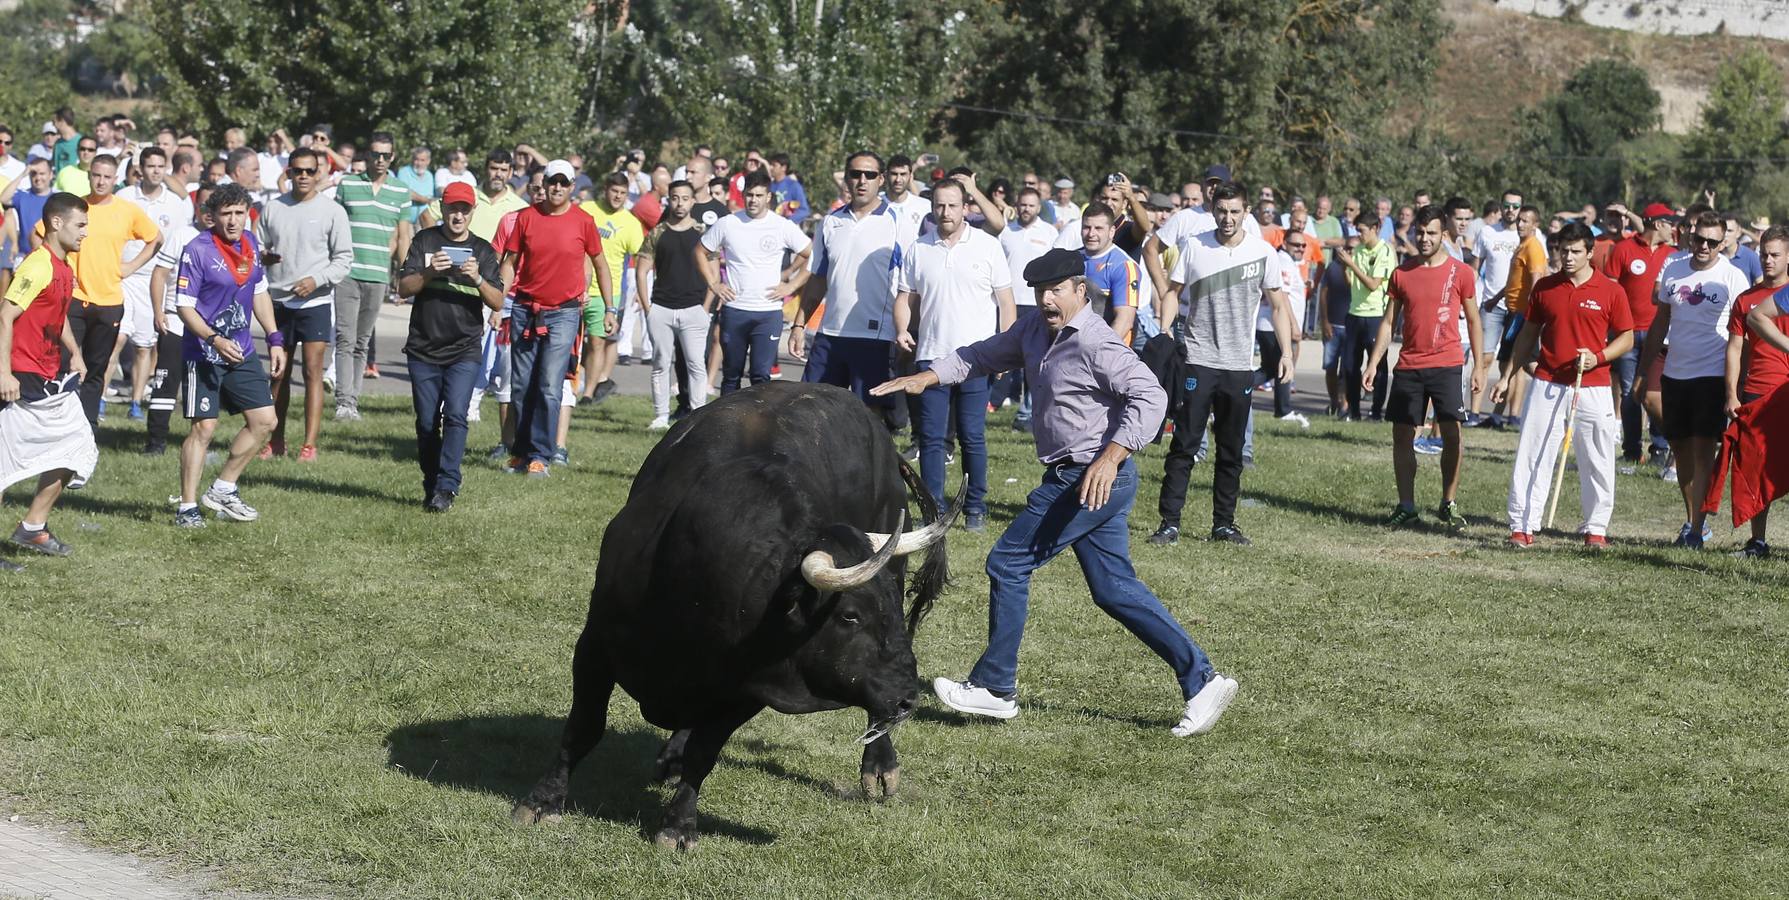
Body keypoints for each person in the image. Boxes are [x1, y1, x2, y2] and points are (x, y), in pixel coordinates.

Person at [872, 248, 1238, 738]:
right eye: (1039, 291)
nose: (1046, 299)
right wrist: (926, 376)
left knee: (1007, 562)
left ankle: (996, 687)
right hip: (1077, 475)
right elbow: (980, 355)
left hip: (1089, 476)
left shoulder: (1094, 340)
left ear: (1079, 290)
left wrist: (1111, 458)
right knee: (1114, 590)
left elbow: (1152, 396)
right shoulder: (1031, 330)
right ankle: (1203, 681)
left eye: (1056, 290)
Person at [1151, 181, 1292, 547]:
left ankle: (1223, 525)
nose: (1227, 218)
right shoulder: (1195, 246)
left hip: (1238, 366)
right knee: (1184, 445)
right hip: (1198, 361)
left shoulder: (1263, 253)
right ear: (1212, 210)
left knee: (1230, 451)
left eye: (1234, 211)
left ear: (1246, 212)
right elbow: (1173, 292)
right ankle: (1169, 523)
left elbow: (1277, 306)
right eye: (1222, 211)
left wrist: (1287, 353)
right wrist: (1166, 330)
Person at [1494, 222, 1634, 548]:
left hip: (1594, 385)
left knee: (1597, 457)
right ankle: (1522, 526)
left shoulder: (1611, 290)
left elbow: (1626, 338)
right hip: (1547, 382)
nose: (1567, 257)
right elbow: (1528, 335)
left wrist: (1598, 357)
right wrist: (1506, 376)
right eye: (1563, 251)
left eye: (1575, 252)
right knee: (1533, 452)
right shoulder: (1544, 288)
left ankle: (1595, 529)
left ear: (1590, 252)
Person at [892, 178, 1016, 532]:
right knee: (930, 438)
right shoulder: (918, 248)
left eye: (952, 205)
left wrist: (1005, 351)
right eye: (939, 206)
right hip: (931, 358)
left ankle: (975, 505)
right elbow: (905, 299)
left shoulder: (989, 247)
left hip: (977, 359)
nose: (945, 212)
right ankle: (934, 509)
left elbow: (1006, 303)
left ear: (966, 208)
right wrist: (902, 330)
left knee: (972, 436)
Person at [172, 183, 288, 528]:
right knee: (204, 429)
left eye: (240, 213)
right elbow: (184, 307)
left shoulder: (251, 244)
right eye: (227, 214)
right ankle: (187, 508)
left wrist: (274, 337)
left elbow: (260, 292)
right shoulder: (198, 250)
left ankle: (223, 488)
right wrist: (213, 338)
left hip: (241, 350)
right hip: (203, 352)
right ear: (212, 217)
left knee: (265, 421)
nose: (234, 220)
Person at [1362, 206, 1484, 531]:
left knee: (1453, 435)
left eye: (1432, 233)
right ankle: (1406, 506)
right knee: (1401, 435)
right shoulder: (1402, 273)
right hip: (1409, 365)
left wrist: (1481, 367)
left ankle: (1448, 503)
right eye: (1420, 232)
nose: (1425, 238)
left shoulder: (1462, 273)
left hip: (1447, 364)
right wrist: (1373, 363)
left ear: (1443, 233)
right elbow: (1389, 323)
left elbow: (1473, 320)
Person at [1637, 211, 1751, 549]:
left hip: (1711, 375)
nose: (1704, 246)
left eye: (1712, 242)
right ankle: (1692, 521)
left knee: (1703, 453)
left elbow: (1741, 337)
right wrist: (1643, 372)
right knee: (1681, 452)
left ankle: (1696, 528)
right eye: (1699, 239)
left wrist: (1737, 385)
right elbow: (1660, 323)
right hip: (1675, 373)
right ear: (1689, 236)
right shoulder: (1673, 268)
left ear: (1722, 243)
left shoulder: (1732, 278)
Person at [498, 159, 612, 478]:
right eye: (552, 182)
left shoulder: (583, 221)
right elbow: (509, 263)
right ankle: (521, 453)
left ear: (572, 187)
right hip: (524, 308)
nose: (557, 188)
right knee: (521, 385)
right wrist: (496, 303)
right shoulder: (526, 218)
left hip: (564, 312)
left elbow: (600, 264)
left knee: (549, 384)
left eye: (564, 183)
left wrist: (610, 308)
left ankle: (542, 456)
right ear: (544, 184)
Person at [0, 192, 94, 572]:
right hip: (21, 376)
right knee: (4, 462)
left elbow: (59, 314)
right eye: (81, 225)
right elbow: (5, 316)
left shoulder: (64, 266)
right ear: (57, 223)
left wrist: (75, 350)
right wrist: (4, 373)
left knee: (77, 446)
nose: (86, 233)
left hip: (49, 373)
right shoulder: (37, 265)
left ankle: (33, 527)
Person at [397, 182, 504, 512]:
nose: (458, 215)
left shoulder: (483, 251)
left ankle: (447, 485)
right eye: (453, 208)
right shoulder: (424, 241)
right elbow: (403, 288)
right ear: (442, 209)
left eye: (465, 209)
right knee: (427, 422)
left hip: (465, 349)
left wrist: (478, 279)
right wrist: (430, 271)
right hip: (423, 348)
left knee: (456, 415)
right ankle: (431, 482)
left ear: (473, 212)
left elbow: (498, 301)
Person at [259, 147, 353, 461]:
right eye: (297, 171)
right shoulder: (273, 208)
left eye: (309, 171)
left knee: (313, 372)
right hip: (278, 301)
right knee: (278, 374)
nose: (303, 176)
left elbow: (343, 260)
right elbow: (255, 246)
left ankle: (309, 445)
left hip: (315, 302)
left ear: (319, 173)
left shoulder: (332, 211)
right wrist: (263, 257)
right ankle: (275, 440)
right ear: (288, 172)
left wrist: (317, 280)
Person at [792, 152, 902, 407]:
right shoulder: (830, 222)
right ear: (847, 179)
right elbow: (817, 280)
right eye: (855, 174)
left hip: (876, 336)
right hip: (830, 334)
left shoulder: (898, 223)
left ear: (881, 179)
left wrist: (906, 330)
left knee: (870, 417)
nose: (862, 181)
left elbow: (911, 286)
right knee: (811, 409)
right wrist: (799, 326)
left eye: (870, 175)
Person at [66, 153, 159, 432]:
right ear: (89, 175)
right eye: (97, 175)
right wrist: (63, 269)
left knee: (97, 368)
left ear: (115, 179)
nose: (101, 181)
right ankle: (61, 424)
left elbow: (156, 239)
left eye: (107, 177)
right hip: (76, 298)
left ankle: (88, 427)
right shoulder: (75, 207)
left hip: (109, 301)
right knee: (67, 365)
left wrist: (131, 266)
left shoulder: (126, 210)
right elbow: (40, 233)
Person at [699, 168, 810, 393]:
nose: (753, 200)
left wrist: (790, 282)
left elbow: (812, 255)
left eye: (759, 195)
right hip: (735, 310)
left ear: (768, 197)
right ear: (744, 195)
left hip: (767, 312)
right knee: (731, 374)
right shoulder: (728, 223)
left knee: (761, 375)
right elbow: (701, 251)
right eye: (749, 194)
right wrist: (714, 283)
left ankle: (760, 428)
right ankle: (727, 426)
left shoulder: (782, 225)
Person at [1720, 225, 1789, 558]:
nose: (1768, 260)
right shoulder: (1747, 300)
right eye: (1763, 254)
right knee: (1756, 470)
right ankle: (1757, 541)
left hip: (1786, 392)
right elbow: (1734, 349)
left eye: (1775, 254)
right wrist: (1732, 394)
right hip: (1757, 392)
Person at [333, 132, 408, 421]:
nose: (380, 160)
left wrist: (404, 276)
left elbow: (402, 236)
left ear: (392, 157)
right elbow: (335, 226)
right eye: (375, 154)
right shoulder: (348, 184)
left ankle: (353, 400)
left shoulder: (400, 191)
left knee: (362, 341)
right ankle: (344, 402)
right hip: (347, 272)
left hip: (378, 274)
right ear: (367, 155)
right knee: (344, 338)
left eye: (385, 155)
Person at [116, 147, 191, 420]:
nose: (156, 171)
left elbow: (181, 243)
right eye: (151, 166)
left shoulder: (175, 204)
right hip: (123, 276)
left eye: (161, 166)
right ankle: (99, 398)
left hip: (155, 280)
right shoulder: (123, 197)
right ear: (140, 168)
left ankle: (136, 401)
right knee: (118, 338)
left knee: (144, 345)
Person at [1602, 203, 1678, 464]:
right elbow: (1609, 292)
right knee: (1628, 393)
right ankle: (1632, 451)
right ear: (1658, 224)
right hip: (1627, 334)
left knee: (1656, 393)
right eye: (1670, 223)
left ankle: (1659, 448)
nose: (1674, 229)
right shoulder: (1623, 249)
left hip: (1661, 335)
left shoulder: (1674, 255)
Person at [144, 182, 216, 456]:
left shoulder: (226, 239)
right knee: (165, 381)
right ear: (196, 207)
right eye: (204, 205)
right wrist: (158, 310)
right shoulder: (182, 234)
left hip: (209, 327)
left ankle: (200, 442)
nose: (209, 212)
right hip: (175, 321)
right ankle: (155, 442)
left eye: (214, 206)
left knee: (202, 386)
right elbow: (160, 273)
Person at [635, 180, 711, 430]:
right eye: (675, 198)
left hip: (694, 308)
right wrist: (648, 307)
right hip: (662, 308)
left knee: (696, 364)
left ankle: (698, 414)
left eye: (685, 198)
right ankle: (660, 415)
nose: (680, 203)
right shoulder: (658, 232)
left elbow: (715, 273)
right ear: (669, 200)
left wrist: (706, 307)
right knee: (660, 363)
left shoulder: (702, 233)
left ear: (692, 201)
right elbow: (642, 269)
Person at [576, 172, 644, 403]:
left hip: (609, 293)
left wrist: (641, 289)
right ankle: (580, 380)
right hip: (576, 286)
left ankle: (588, 393)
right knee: (574, 341)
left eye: (623, 193)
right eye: (614, 191)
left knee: (598, 341)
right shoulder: (586, 209)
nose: (618, 197)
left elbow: (643, 257)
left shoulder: (631, 223)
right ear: (606, 189)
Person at [998, 186, 1057, 430]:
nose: (1026, 209)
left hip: (1039, 303)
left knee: (1038, 360)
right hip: (1010, 303)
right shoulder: (1006, 232)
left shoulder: (1050, 232)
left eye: (1031, 205)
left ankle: (1029, 412)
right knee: (1008, 358)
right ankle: (1004, 402)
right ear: (1016, 204)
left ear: (1038, 207)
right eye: (1022, 205)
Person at [1469, 190, 1525, 423]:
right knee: (1483, 358)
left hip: (1518, 308)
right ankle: (1473, 412)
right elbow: (1474, 268)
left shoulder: (1530, 236)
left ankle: (1502, 415)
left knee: (1512, 363)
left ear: (1521, 208)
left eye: (1515, 206)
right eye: (1507, 205)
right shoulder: (1487, 232)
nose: (1511, 210)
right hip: (1490, 304)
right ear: (1501, 207)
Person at [1337, 210, 1395, 421]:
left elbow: (1372, 285)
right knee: (1350, 366)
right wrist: (1346, 267)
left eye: (1362, 231)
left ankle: (1376, 411)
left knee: (1378, 365)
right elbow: (1353, 283)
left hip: (1376, 315)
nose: (1359, 235)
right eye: (1357, 230)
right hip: (1355, 314)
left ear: (1374, 229)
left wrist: (1351, 263)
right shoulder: (1359, 250)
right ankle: (1353, 411)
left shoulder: (1384, 252)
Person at [765, 152, 809, 224]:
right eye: (770, 165)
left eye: (774, 165)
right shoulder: (768, 186)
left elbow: (804, 210)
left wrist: (787, 222)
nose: (770, 167)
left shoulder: (794, 186)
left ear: (783, 168)